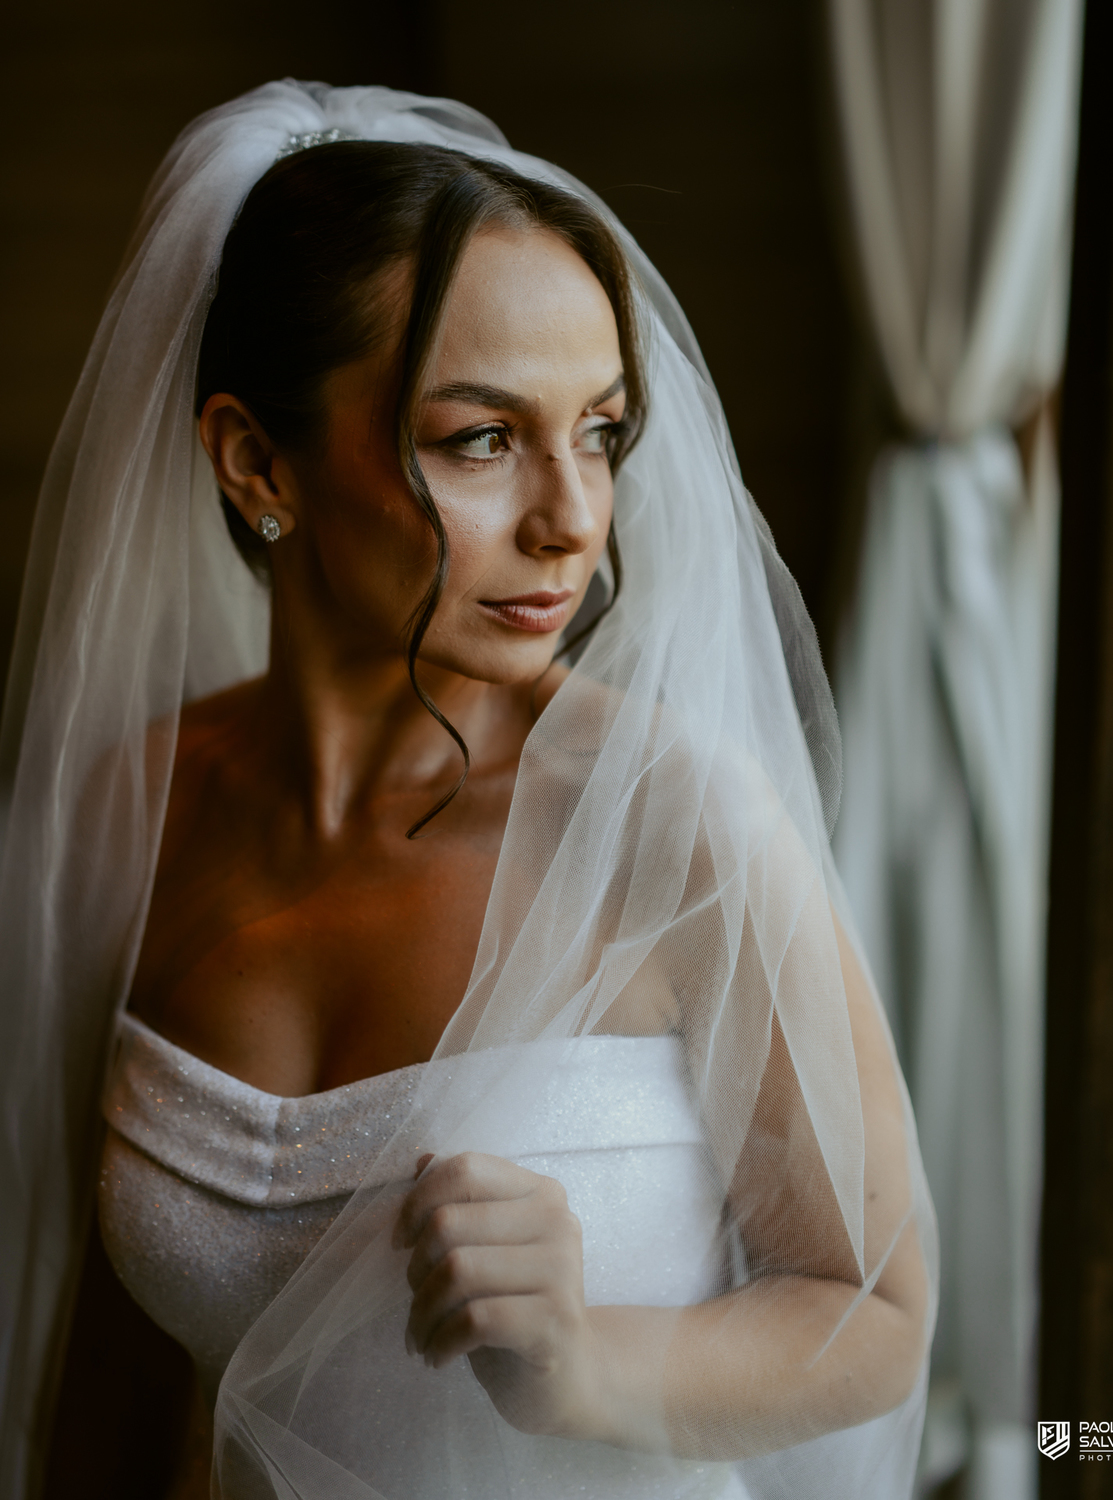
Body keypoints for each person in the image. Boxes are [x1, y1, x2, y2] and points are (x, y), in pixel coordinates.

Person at [0, 82, 936, 1499]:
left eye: (603, 431)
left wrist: (590, 1362)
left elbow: (876, 1316)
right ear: (259, 461)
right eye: (482, 439)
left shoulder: (675, 823)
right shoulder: (136, 813)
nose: (571, 518)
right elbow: (117, 1371)